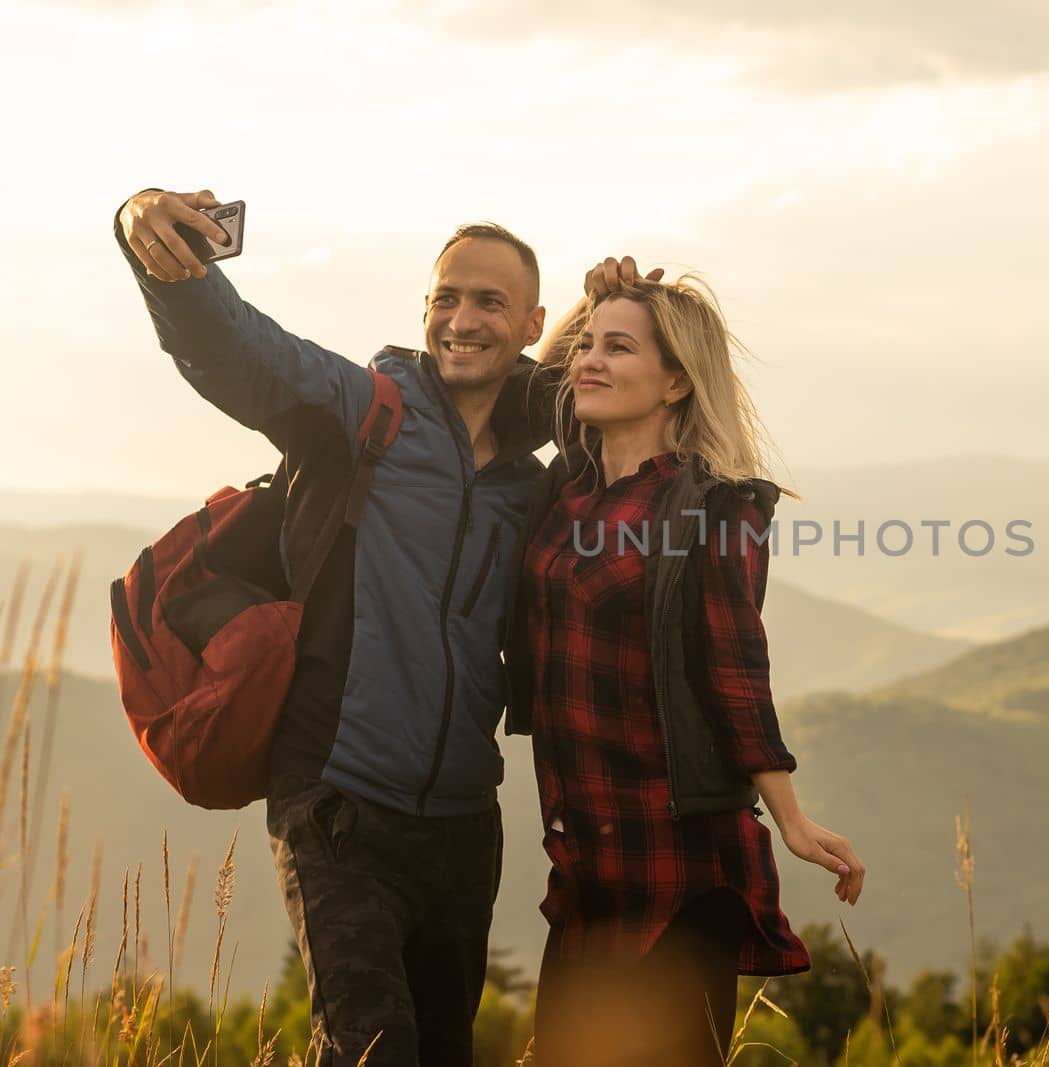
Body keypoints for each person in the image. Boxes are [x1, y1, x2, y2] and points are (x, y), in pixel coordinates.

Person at [114, 189, 637, 1066]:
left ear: (532, 322)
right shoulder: (363, 412)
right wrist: (149, 238)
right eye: (445, 297)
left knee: (440, 1051)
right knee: (370, 1046)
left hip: (465, 825)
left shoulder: (530, 475)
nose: (461, 319)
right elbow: (240, 352)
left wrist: (612, 311)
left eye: (488, 303)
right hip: (336, 801)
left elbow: (618, 411)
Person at [509, 272, 867, 1065]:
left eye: (620, 347)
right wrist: (591, 295)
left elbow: (735, 667)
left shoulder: (712, 506)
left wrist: (792, 817)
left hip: (677, 861)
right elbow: (532, 386)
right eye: (588, 346)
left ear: (676, 380)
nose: (590, 361)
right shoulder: (567, 487)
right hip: (584, 862)